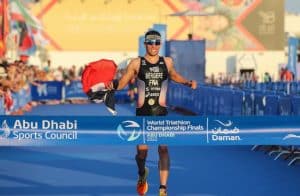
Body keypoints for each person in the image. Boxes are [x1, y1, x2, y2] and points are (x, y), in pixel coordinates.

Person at [108, 30, 197, 196]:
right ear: (145, 44)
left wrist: (187, 82)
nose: (154, 46)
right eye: (150, 42)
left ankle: (163, 188)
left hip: (161, 114)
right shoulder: (136, 63)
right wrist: (112, 86)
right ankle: (142, 174)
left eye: (157, 42)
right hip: (142, 115)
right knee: (142, 152)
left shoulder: (167, 62)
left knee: (163, 149)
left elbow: (174, 75)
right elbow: (122, 83)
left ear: (161, 44)